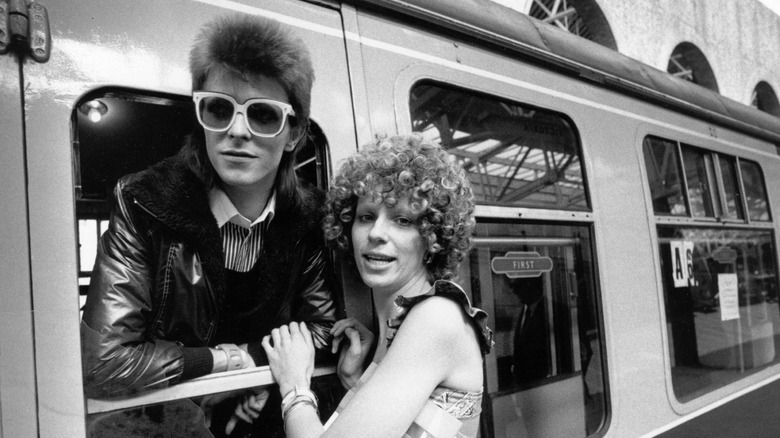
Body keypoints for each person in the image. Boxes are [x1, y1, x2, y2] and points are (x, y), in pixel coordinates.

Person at [80, 14, 340, 437]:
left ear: (294, 133)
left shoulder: (308, 218)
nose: (237, 131)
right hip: (162, 424)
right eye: (219, 109)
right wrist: (219, 361)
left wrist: (254, 361)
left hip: (264, 420)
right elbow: (104, 362)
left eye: (263, 115)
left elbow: (324, 329)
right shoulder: (145, 203)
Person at [260, 134, 494, 438]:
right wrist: (354, 379)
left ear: (433, 236)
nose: (377, 233)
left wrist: (294, 388)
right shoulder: (400, 328)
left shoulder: (436, 318)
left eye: (403, 220)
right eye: (366, 216)